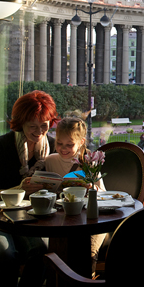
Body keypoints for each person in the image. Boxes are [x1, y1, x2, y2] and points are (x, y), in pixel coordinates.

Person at [0, 90, 60, 287]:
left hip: (28, 210)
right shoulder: (2, 145)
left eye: (44, 126)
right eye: (32, 126)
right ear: (21, 123)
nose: (39, 132)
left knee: (43, 250)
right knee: (4, 254)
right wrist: (20, 188)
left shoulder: (53, 147)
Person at [44, 116, 106, 275]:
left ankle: (86, 283)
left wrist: (91, 187)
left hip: (90, 220)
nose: (63, 148)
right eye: (59, 143)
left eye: (69, 145)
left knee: (88, 250)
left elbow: (104, 195)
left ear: (81, 142)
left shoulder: (88, 162)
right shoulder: (49, 161)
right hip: (62, 221)